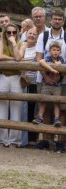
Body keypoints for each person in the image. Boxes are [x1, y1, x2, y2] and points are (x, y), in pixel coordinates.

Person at [35, 9, 66, 152]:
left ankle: (60, 141)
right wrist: (46, 76)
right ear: (50, 20)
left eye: (60, 19)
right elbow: (38, 58)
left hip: (63, 79)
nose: (57, 21)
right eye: (55, 18)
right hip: (44, 78)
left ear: (63, 21)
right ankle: (46, 139)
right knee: (46, 107)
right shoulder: (44, 35)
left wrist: (60, 76)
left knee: (62, 108)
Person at [0, 23, 26, 148]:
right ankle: (1, 140)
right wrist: (13, 59)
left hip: (16, 78)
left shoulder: (21, 44)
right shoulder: (1, 42)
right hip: (2, 76)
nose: (11, 34)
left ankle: (14, 140)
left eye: (14, 32)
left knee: (16, 109)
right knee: (1, 108)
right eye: (9, 32)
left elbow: (19, 57)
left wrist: (13, 43)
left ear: (17, 33)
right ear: (4, 33)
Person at [33, 41, 64, 127]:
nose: (55, 52)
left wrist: (59, 64)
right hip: (46, 85)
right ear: (50, 51)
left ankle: (56, 119)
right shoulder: (48, 58)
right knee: (43, 101)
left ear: (60, 52)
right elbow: (41, 61)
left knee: (56, 102)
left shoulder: (61, 59)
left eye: (58, 50)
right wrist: (51, 69)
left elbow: (62, 65)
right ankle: (40, 117)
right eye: (53, 50)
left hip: (57, 86)